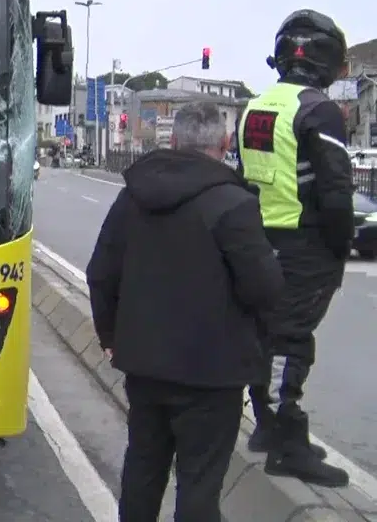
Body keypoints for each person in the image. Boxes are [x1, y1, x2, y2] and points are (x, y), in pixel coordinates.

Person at [87, 101, 284, 522]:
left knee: (143, 467)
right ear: (226, 143)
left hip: (144, 366)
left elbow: (101, 273)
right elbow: (265, 290)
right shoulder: (234, 204)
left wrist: (109, 338)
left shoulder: (132, 197)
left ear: (173, 141)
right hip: (213, 375)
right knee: (199, 483)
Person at [235, 9, 353, 487]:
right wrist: (341, 247)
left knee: (268, 338)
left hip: (260, 240)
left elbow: (242, 176)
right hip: (305, 244)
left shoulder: (256, 106)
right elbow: (336, 191)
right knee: (292, 343)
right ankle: (287, 444)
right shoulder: (318, 109)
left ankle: (267, 428)